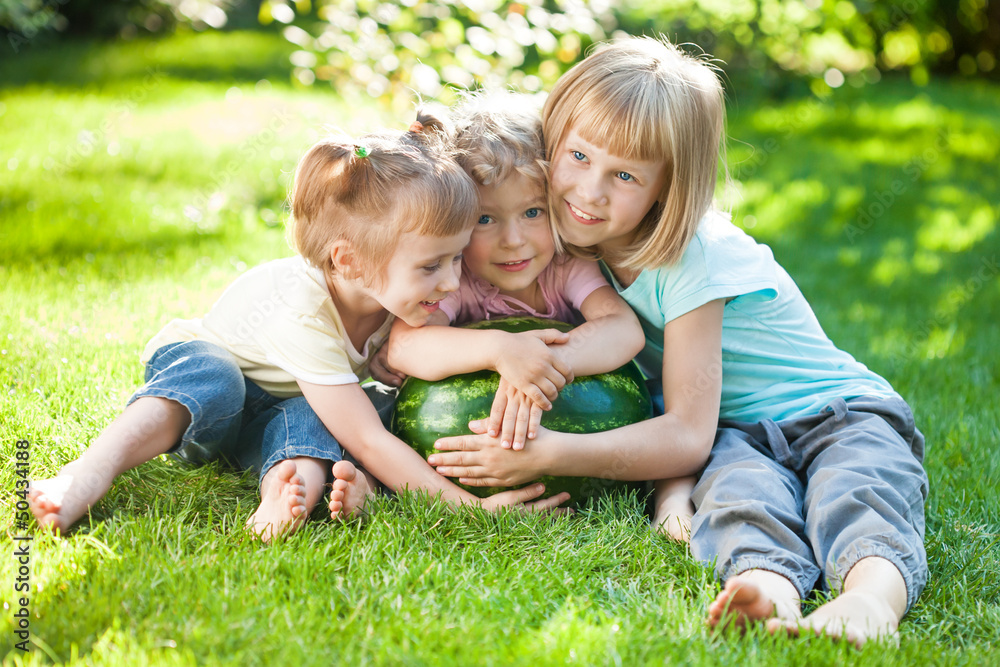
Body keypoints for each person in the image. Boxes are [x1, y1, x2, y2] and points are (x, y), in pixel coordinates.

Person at [428, 37, 928, 648]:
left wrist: (549, 453)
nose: (590, 191)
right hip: (732, 434)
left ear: (669, 186)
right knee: (740, 499)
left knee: (856, 494)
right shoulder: (559, 248)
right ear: (550, 146)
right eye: (578, 156)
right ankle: (767, 592)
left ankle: (869, 603)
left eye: (625, 175)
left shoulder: (694, 258)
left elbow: (685, 435)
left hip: (838, 414)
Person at [28, 119, 569, 542]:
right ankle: (90, 472)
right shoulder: (299, 307)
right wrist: (468, 507)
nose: (453, 281)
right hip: (206, 387)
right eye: (433, 266)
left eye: (456, 259)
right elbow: (365, 437)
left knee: (315, 420)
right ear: (349, 262)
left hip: (283, 405)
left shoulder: (399, 295)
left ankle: (286, 496)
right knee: (216, 380)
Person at [383, 92, 645, 452]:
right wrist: (501, 350)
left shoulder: (565, 267)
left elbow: (623, 329)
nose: (513, 240)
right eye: (485, 219)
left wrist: (545, 363)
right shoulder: (456, 282)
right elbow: (403, 347)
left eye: (533, 212)